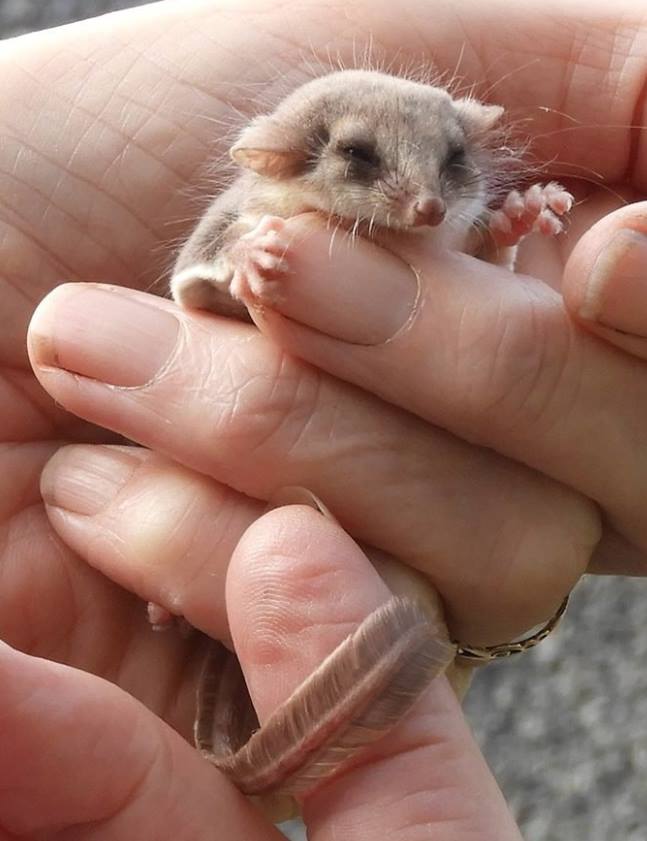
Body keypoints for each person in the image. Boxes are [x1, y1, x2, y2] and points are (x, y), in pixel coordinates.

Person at [2, 0, 647, 837]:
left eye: (449, 169)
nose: (423, 203)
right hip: (177, 468)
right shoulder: (261, 209)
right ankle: (180, 594)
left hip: (273, 510)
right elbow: (191, 285)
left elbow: (470, 254)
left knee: (319, 565)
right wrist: (239, 270)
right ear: (280, 160)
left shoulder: (440, 224)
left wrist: (504, 236)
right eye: (362, 163)